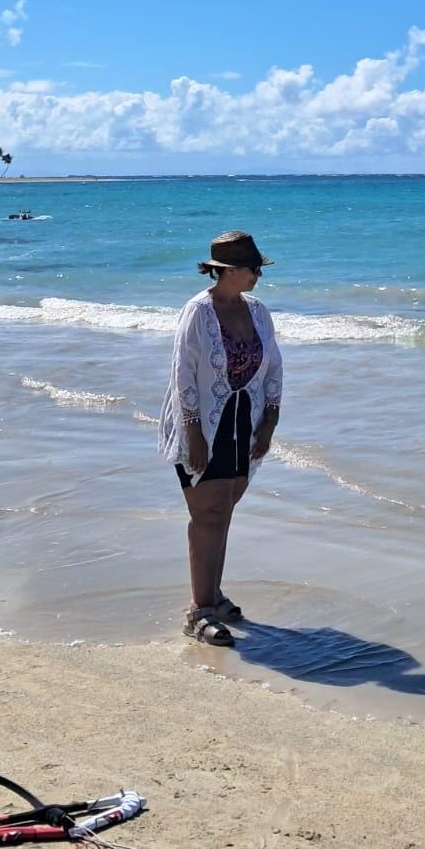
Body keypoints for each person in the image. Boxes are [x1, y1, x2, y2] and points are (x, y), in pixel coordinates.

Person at [158, 230, 283, 646]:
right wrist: (192, 430)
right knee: (206, 513)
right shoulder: (197, 311)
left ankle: (212, 594)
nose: (257, 276)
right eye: (252, 269)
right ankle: (199, 611)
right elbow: (183, 374)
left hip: (243, 419)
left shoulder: (258, 311)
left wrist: (270, 418)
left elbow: (274, 366)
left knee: (224, 509)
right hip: (204, 424)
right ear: (227, 271)